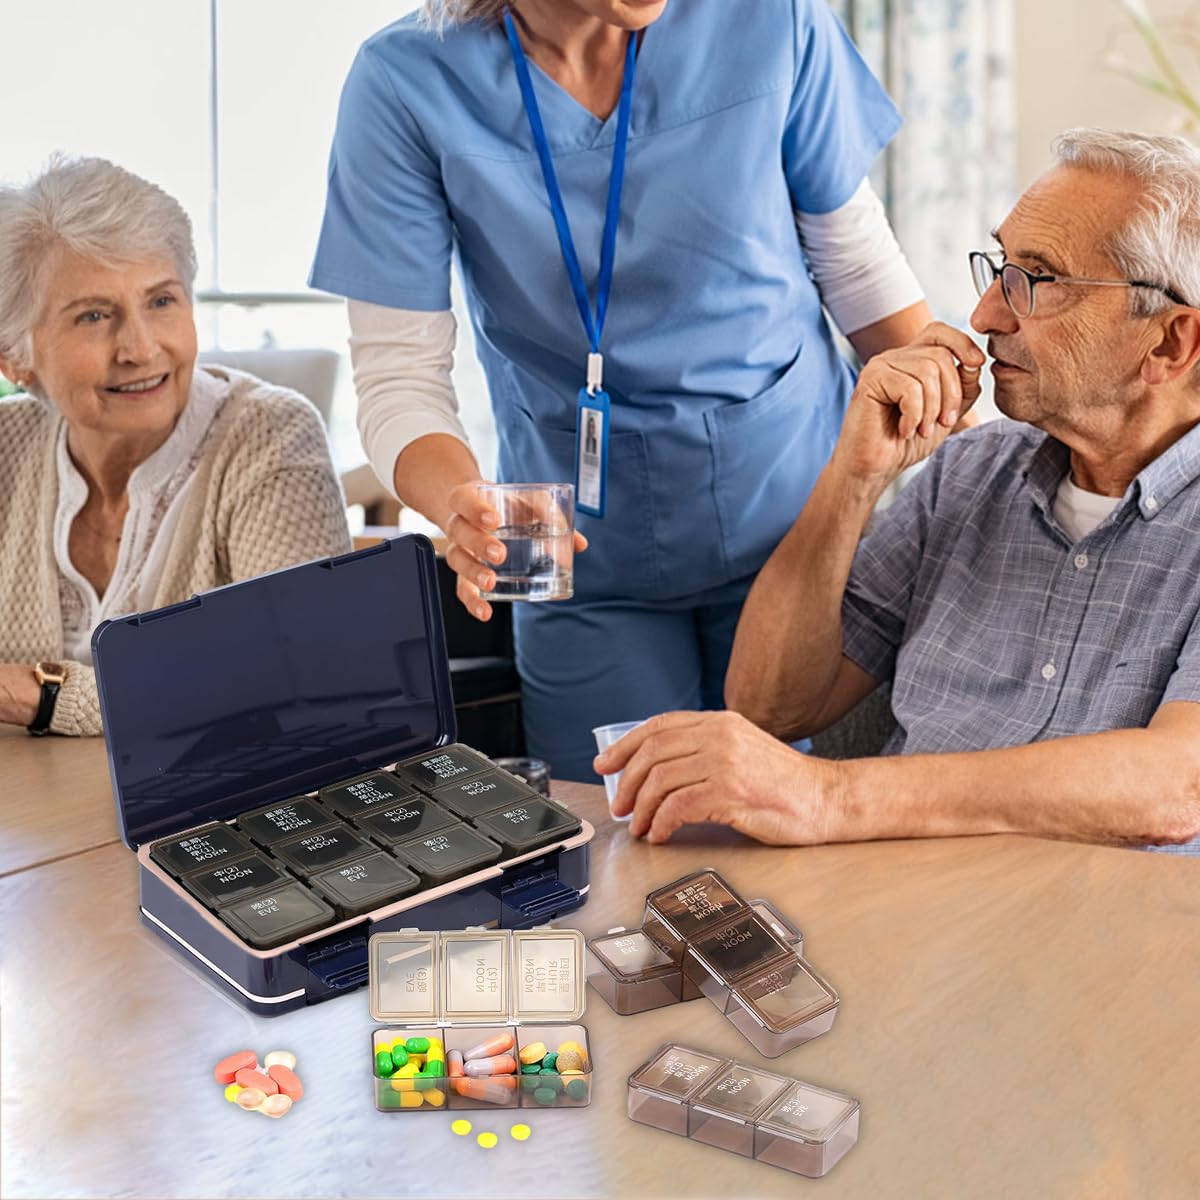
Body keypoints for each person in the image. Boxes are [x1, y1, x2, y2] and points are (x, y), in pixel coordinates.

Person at [310, 0, 933, 779]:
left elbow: (857, 269)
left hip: (793, 514)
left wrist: (980, 446)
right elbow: (399, 374)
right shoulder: (406, 81)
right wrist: (460, 502)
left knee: (780, 814)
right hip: (572, 543)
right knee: (616, 829)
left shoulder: (770, 20)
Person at [596, 128, 1200, 854]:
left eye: (1036, 281)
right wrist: (854, 477)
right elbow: (770, 706)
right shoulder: (966, 475)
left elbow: (1176, 786)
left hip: (1100, 941)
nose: (985, 315)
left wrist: (828, 796)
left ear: (1170, 342)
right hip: (893, 912)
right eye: (1001, 266)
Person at [0, 157, 352, 737]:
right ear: (15, 355)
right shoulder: (9, 446)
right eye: (93, 315)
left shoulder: (269, 436)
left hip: (221, 817)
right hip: (33, 814)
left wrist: (37, 696)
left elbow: (299, 684)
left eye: (162, 301)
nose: (139, 348)